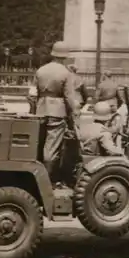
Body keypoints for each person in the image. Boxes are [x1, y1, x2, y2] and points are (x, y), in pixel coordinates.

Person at [35, 41, 79, 186]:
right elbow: (69, 96)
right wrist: (76, 113)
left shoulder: (41, 70)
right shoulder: (65, 73)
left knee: (39, 143)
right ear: (65, 56)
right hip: (57, 112)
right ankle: (46, 182)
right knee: (51, 148)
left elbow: (31, 94)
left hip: (40, 110)